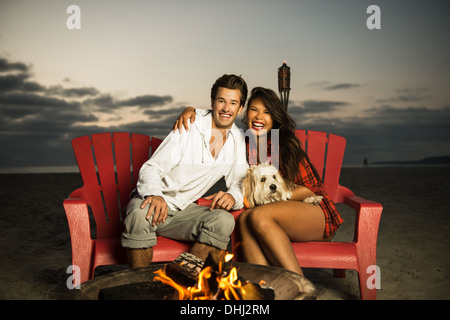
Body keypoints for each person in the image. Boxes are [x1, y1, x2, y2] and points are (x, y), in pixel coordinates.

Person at [173, 87, 343, 275]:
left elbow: (312, 189)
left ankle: (302, 290)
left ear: (275, 118)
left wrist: (271, 197)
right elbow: (217, 124)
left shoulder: (284, 144)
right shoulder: (242, 143)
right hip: (272, 216)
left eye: (267, 112)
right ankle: (266, 288)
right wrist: (193, 111)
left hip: (315, 213)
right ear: (245, 113)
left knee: (257, 215)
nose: (259, 116)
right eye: (254, 110)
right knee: (245, 219)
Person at [121, 74, 249, 268]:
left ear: (240, 109)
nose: (226, 108)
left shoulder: (237, 138)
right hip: (153, 202)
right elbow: (152, 167)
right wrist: (155, 195)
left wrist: (233, 196)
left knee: (223, 220)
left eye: (233, 103)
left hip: (184, 212)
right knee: (139, 216)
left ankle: (181, 283)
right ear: (213, 102)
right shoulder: (190, 124)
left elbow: (240, 182)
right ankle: (143, 288)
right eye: (221, 101)